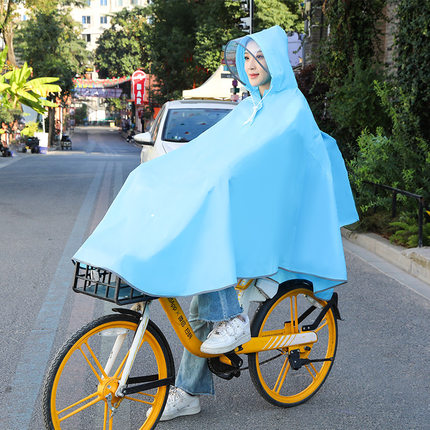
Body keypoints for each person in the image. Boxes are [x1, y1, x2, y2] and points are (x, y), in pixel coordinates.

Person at [73, 25, 357, 422]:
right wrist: (173, 167)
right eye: (247, 56)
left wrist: (221, 177)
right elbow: (210, 148)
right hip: (241, 208)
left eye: (261, 56)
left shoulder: (291, 105)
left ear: (276, 60)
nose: (252, 64)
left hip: (268, 214)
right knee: (150, 186)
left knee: (209, 229)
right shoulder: (246, 108)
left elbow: (271, 161)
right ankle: (189, 391)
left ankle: (233, 319)